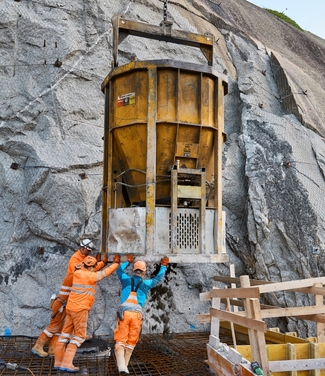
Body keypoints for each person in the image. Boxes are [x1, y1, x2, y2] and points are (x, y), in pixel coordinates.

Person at [31, 239, 107, 357]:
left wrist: (102, 263)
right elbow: (87, 272)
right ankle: (37, 347)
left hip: (65, 302)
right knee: (54, 326)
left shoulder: (81, 263)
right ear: (82, 248)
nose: (88, 254)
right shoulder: (75, 263)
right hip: (61, 303)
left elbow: (89, 269)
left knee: (60, 327)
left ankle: (52, 349)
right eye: (87, 251)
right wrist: (102, 264)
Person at [54, 254, 120, 372]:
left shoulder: (78, 272)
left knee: (64, 336)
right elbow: (104, 273)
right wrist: (116, 263)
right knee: (79, 337)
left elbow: (92, 269)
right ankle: (67, 363)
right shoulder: (90, 276)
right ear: (90, 267)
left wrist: (103, 263)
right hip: (80, 310)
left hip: (70, 308)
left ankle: (58, 362)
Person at [114, 254, 169, 375]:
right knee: (131, 342)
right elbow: (158, 278)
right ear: (143, 272)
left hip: (125, 313)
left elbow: (118, 269)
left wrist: (128, 262)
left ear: (134, 270)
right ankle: (124, 368)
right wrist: (163, 266)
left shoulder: (125, 279)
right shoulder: (146, 284)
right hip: (137, 315)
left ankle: (122, 368)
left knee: (120, 340)